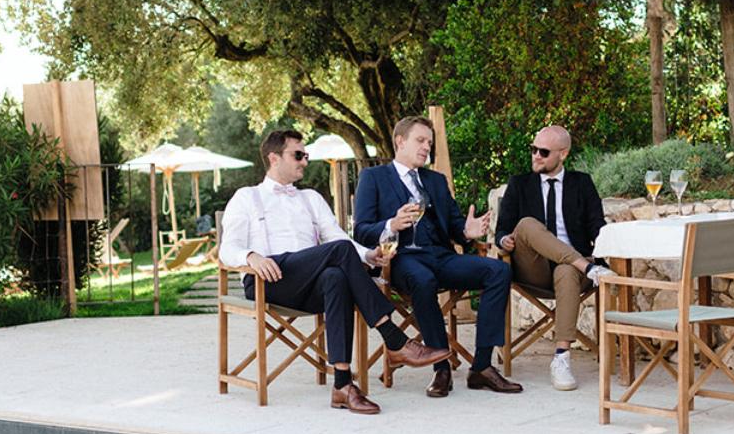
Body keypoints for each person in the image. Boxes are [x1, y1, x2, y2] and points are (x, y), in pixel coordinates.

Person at [219, 129, 449, 415]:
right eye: (298, 155)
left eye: (306, 155)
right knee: (338, 252)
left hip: (310, 282)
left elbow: (338, 237)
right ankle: (394, 338)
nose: (305, 161)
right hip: (269, 281)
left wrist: (368, 255)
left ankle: (342, 385)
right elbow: (227, 249)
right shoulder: (247, 197)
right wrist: (251, 256)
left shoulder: (311, 198)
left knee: (336, 277)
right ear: (274, 158)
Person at [352, 116, 518, 398]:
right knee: (423, 279)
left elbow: (455, 226)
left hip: (441, 256)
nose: (426, 147)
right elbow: (361, 230)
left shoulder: (436, 181)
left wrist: (468, 230)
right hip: (401, 260)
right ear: (400, 141)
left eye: (429, 142)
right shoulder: (375, 178)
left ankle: (481, 367)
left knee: (498, 271)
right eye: (420, 140)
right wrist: (391, 224)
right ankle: (441, 367)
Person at [494, 124, 613, 391]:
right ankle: (583, 265)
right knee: (525, 224)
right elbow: (502, 230)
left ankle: (561, 358)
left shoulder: (581, 183)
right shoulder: (520, 184)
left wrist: (609, 245)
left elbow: (598, 226)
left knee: (566, 270)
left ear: (563, 154)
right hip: (533, 267)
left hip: (569, 273)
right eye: (533, 149)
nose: (536, 155)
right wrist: (504, 240)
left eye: (543, 151)